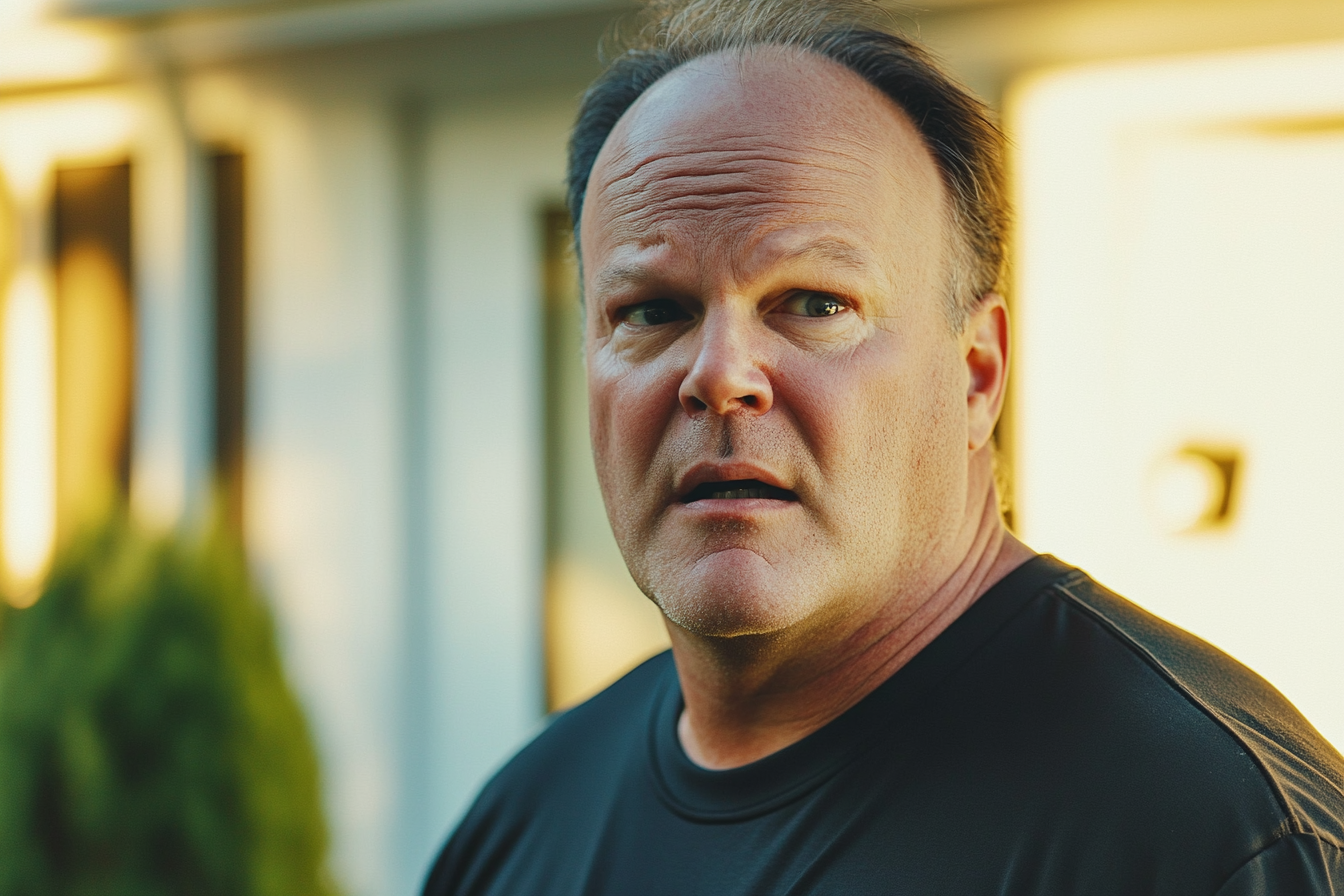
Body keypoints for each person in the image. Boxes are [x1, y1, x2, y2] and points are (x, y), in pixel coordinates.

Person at [423, 0, 1344, 892]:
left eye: (817, 304)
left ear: (977, 375)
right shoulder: (521, 827)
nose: (720, 374)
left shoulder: (1217, 839)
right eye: (652, 311)